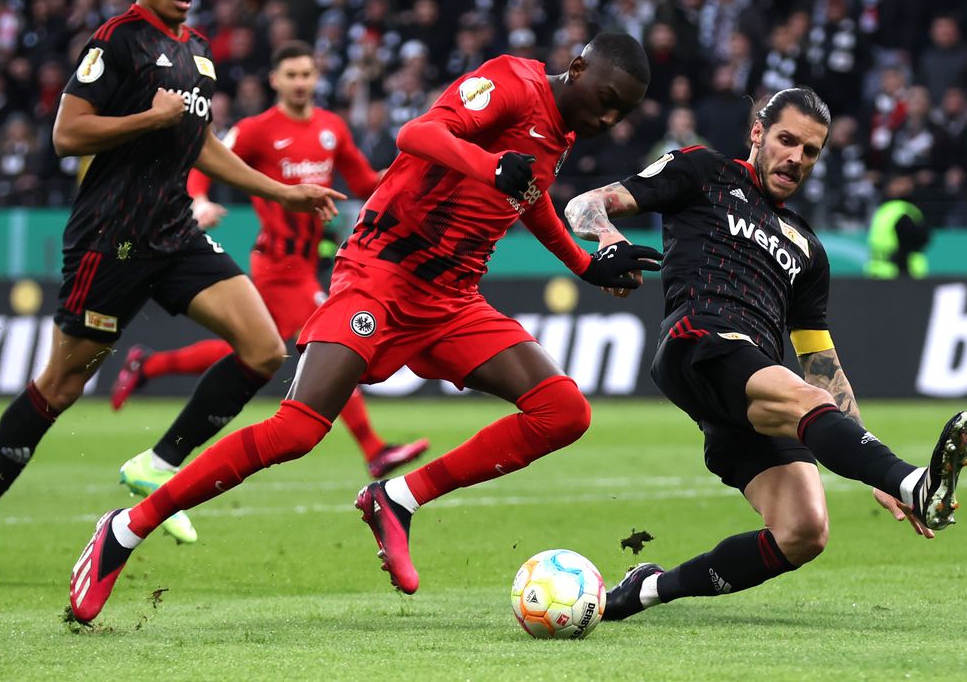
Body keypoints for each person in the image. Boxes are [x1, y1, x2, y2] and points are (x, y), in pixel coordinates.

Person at [68, 33, 664, 622]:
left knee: (564, 411)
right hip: (382, 272)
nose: (609, 117)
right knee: (297, 431)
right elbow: (418, 134)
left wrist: (587, 264)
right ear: (578, 66)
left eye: (623, 112)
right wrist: (488, 164)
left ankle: (397, 498)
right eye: (606, 98)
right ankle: (124, 531)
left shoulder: (559, 131)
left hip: (451, 298)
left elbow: (526, 194)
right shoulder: (512, 82)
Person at [0, 0, 343, 585]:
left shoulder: (200, 52)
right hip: (110, 239)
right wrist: (147, 119)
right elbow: (67, 134)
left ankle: (158, 464)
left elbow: (201, 143)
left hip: (175, 231)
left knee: (265, 348)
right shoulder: (116, 43)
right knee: (62, 386)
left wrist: (282, 192)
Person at [561, 87, 967, 621]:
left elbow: (823, 367)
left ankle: (648, 589)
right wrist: (608, 239)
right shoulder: (703, 170)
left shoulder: (808, 248)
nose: (796, 159)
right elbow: (584, 203)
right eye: (787, 141)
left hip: (753, 383)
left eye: (810, 151)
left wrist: (872, 468)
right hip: (700, 340)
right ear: (757, 133)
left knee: (804, 532)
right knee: (793, 393)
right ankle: (917, 484)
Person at [110, 41, 430, 479]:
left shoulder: (332, 128)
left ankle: (147, 364)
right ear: (275, 80)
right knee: (334, 343)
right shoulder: (258, 129)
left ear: (317, 78)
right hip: (278, 265)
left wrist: (417, 168)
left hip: (306, 264)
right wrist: (199, 199)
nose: (300, 83)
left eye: (307, 75)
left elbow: (362, 181)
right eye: (292, 75)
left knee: (251, 350)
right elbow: (205, 160)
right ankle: (374, 449)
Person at [865, 175, 931, 278]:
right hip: (900, 273)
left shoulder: (882, 210)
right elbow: (922, 238)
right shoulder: (905, 211)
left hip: (877, 272)